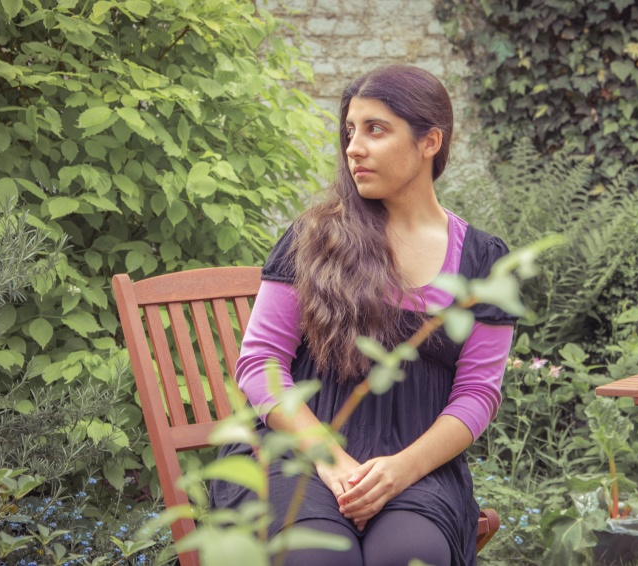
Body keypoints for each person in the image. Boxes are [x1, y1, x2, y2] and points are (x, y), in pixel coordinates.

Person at [210, 65, 516, 566]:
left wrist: (400, 470)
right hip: (297, 451)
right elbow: (260, 363)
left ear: (429, 142)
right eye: (350, 131)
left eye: (375, 129)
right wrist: (331, 461)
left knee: (409, 555)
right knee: (317, 556)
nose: (353, 147)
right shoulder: (315, 238)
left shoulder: (483, 261)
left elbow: (478, 394)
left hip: (415, 464)